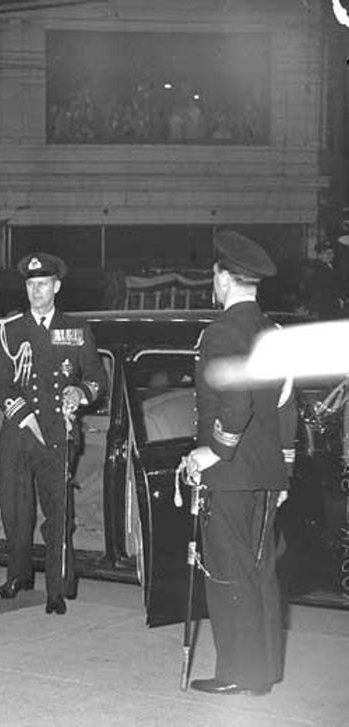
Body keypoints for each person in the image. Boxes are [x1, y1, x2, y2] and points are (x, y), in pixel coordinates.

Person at [185, 230, 297, 696]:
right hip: (266, 473)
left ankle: (236, 672)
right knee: (260, 571)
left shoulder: (222, 332)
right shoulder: (273, 331)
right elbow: (286, 405)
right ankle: (261, 672)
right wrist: (284, 470)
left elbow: (237, 403)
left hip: (230, 474)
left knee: (229, 572)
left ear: (223, 278)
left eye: (215, 275)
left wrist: (214, 450)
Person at [0, 252, 107, 615]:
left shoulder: (76, 329)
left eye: (43, 284)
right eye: (31, 284)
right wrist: (26, 418)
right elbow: (1, 385)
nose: (36, 291)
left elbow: (97, 378)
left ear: (56, 287)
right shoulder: (9, 330)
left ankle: (56, 589)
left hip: (58, 434)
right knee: (15, 509)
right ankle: (18, 575)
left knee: (58, 515)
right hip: (18, 434)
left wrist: (80, 392)